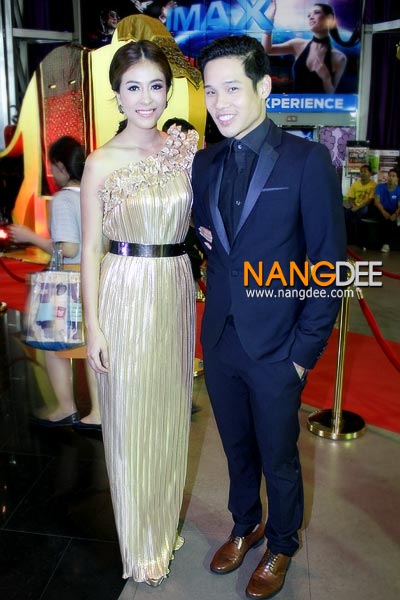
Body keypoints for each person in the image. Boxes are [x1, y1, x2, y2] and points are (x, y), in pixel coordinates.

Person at [192, 35, 346, 599]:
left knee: (279, 455)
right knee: (236, 448)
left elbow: (329, 266)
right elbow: (211, 244)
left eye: (232, 88)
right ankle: (244, 525)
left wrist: (302, 355)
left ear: (263, 86)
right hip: (221, 338)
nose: (220, 103)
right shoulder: (205, 162)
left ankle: (282, 542)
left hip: (279, 347)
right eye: (211, 91)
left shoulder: (306, 161)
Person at [80, 40, 198, 585]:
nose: (146, 98)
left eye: (155, 86)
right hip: (124, 290)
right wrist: (94, 327)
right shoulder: (100, 162)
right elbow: (90, 250)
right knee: (129, 419)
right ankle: (140, 542)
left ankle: (162, 525)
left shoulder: (185, 150)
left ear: (168, 91)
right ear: (117, 95)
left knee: (169, 413)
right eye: (134, 87)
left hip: (175, 288)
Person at [8, 136, 101, 430]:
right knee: (93, 345)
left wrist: (30, 237)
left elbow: (69, 248)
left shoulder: (62, 199)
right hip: (97, 277)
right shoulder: (95, 193)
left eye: (52, 167)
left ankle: (65, 407)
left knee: (52, 343)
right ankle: (98, 412)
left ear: (61, 166)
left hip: (69, 280)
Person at [262, 1, 360, 93]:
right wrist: (269, 21)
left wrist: (326, 78)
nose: (311, 17)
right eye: (309, 15)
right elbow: (267, 50)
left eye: (316, 12)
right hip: (296, 104)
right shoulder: (298, 45)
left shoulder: (339, 57)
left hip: (320, 105)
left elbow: (332, 95)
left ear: (329, 18)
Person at [343, 164, 376, 244]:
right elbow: (350, 199)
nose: (362, 173)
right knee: (345, 214)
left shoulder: (373, 185)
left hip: (367, 207)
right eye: (361, 172)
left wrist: (357, 208)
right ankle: (346, 237)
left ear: (370, 174)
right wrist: (353, 206)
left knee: (363, 210)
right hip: (355, 206)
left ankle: (354, 226)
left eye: (365, 171)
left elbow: (370, 200)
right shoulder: (355, 184)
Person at [371, 168, 400, 253]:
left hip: (394, 210)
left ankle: (390, 244)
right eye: (389, 175)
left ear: (397, 178)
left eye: (393, 176)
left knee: (392, 221)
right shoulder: (379, 187)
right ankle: (385, 244)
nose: (391, 178)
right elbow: (376, 202)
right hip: (381, 209)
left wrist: (396, 214)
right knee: (385, 220)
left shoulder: (399, 189)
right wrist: (383, 212)